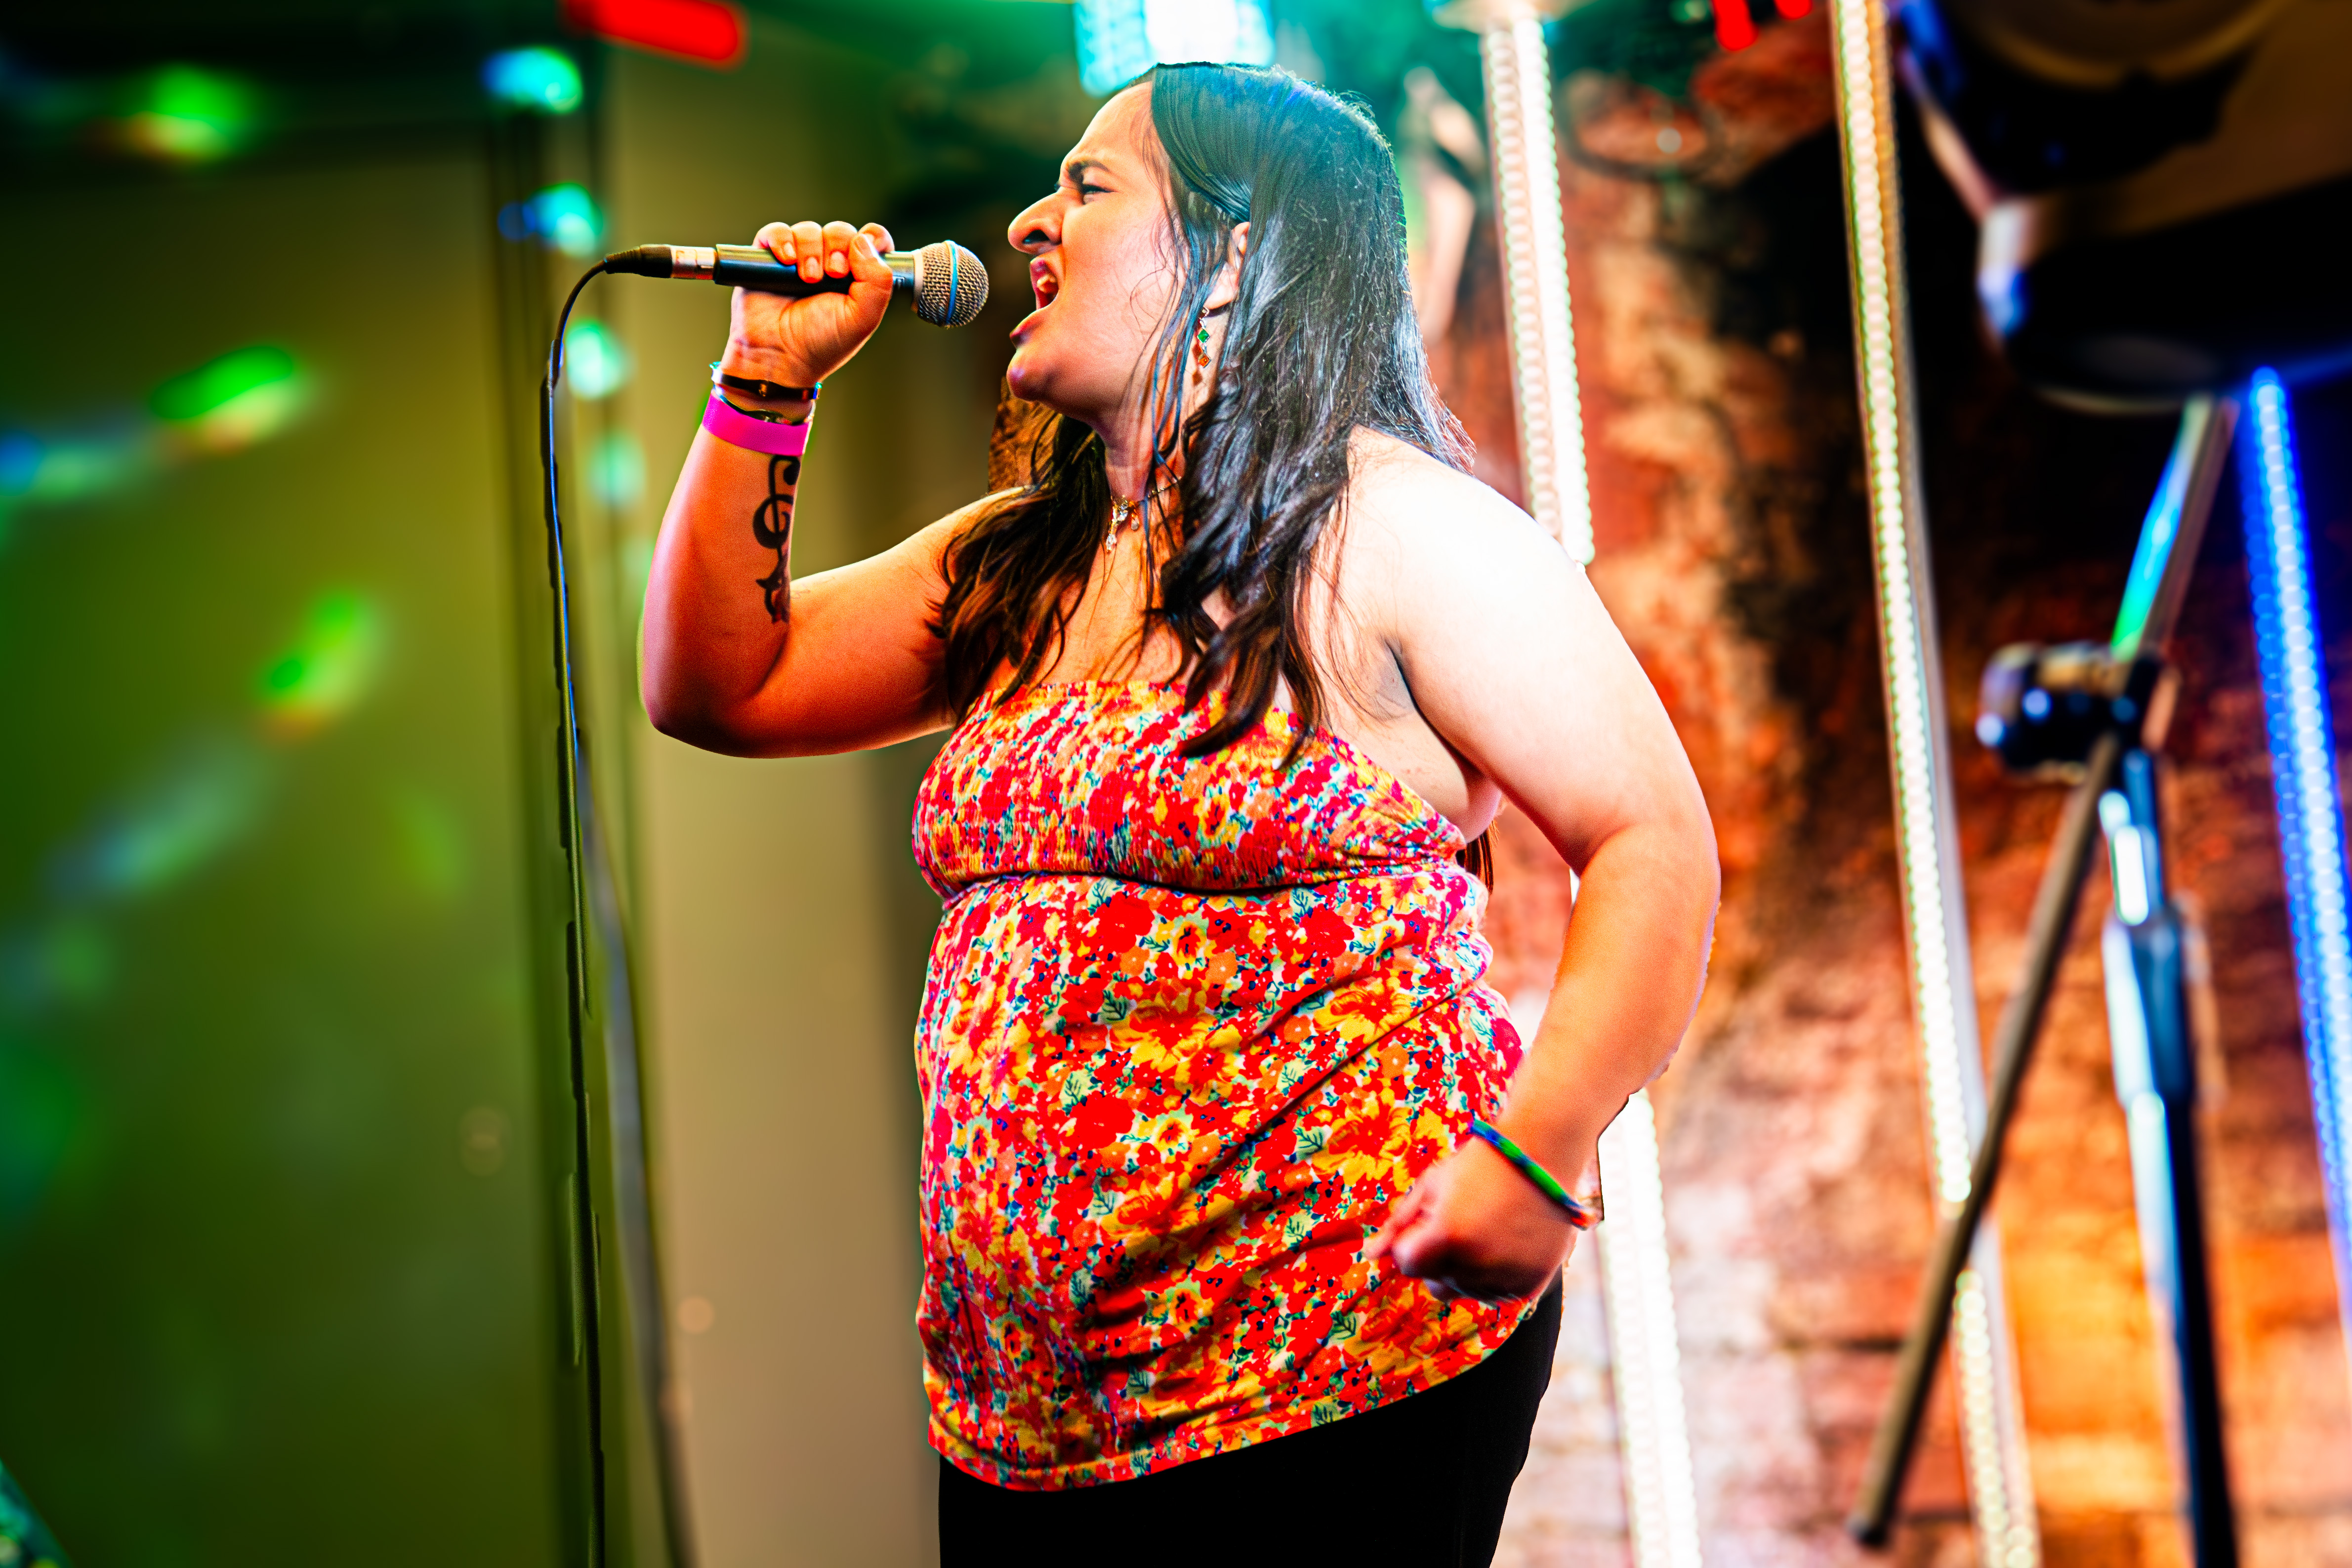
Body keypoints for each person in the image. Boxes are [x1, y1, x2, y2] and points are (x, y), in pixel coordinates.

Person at [641, 62, 1718, 1567]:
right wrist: (765, 384)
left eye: (1087, 188)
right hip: (1032, 1403)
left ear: (1233, 257)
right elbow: (720, 686)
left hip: (1325, 1342)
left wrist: (1539, 1153)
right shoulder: (1021, 560)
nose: (1028, 222)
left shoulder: (1396, 530)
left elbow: (1651, 842)